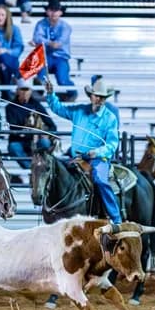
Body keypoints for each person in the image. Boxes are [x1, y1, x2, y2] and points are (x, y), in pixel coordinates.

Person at [45, 78, 121, 224]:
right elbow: (58, 108)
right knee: (52, 171)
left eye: (102, 97)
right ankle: (51, 210)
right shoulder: (79, 111)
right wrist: (50, 94)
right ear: (91, 95)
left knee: (100, 179)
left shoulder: (110, 118)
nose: (99, 99)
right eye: (96, 95)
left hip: (97, 158)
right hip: (76, 156)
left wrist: (97, 152)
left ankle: (115, 218)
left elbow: (112, 144)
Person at [6, 78, 56, 171]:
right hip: (19, 140)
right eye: (22, 89)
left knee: (45, 142)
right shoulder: (10, 107)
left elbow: (52, 125)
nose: (25, 93)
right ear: (17, 91)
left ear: (31, 91)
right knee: (13, 147)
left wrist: (45, 134)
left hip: (36, 140)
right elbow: (13, 128)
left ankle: (40, 167)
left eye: (27, 90)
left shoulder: (37, 105)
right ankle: (33, 169)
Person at [32, 0, 76, 102]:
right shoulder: (41, 24)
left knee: (62, 80)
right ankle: (41, 92)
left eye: (56, 10)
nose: (54, 13)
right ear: (47, 11)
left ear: (60, 12)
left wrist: (44, 42)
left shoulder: (66, 27)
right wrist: (50, 43)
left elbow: (59, 43)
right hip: (45, 57)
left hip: (60, 58)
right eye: (51, 10)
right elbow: (37, 38)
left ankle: (72, 93)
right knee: (41, 77)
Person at [0, 4, 23, 86]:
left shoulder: (14, 29)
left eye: (2, 15)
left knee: (4, 64)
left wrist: (6, 51)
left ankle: (6, 93)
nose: (0, 17)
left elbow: (19, 47)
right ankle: (18, 76)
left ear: (7, 16)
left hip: (10, 59)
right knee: (2, 63)